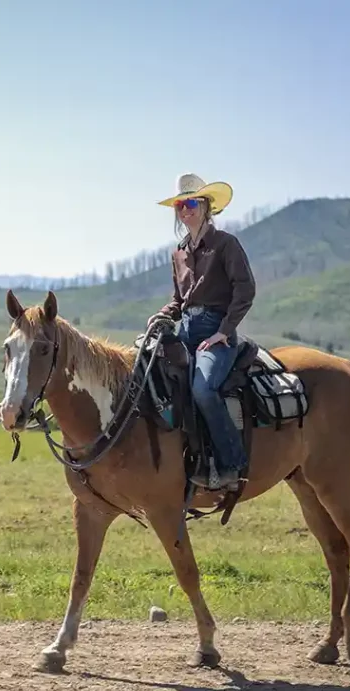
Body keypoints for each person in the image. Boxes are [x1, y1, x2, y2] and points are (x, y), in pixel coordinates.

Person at [147, 173, 257, 490]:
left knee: (203, 390)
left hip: (216, 331)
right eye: (180, 205)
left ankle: (233, 465)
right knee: (153, 381)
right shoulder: (178, 253)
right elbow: (180, 300)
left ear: (207, 206)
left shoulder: (226, 245)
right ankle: (184, 461)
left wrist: (224, 332)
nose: (185, 210)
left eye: (191, 203)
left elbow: (245, 290)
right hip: (187, 330)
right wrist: (162, 315)